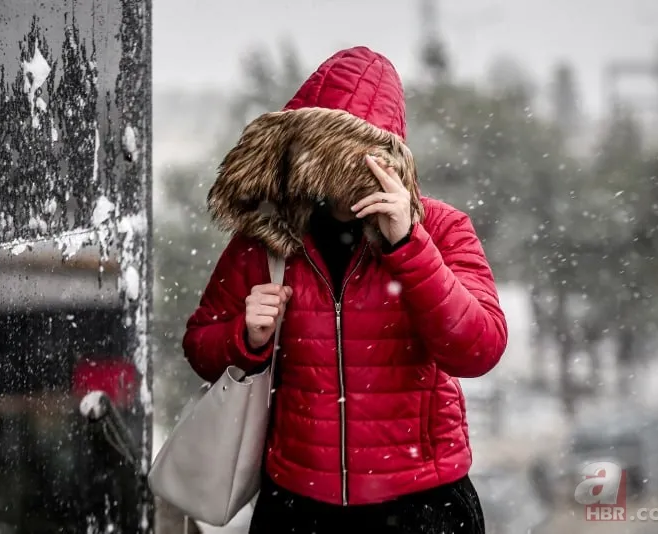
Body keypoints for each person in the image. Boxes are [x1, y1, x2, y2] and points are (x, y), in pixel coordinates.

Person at [183, 46, 507, 534]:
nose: (341, 170)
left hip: (423, 506)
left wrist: (409, 245)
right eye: (325, 150)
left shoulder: (440, 228)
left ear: (389, 156)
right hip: (298, 508)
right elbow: (199, 348)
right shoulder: (268, 239)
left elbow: (478, 349)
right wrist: (245, 338)